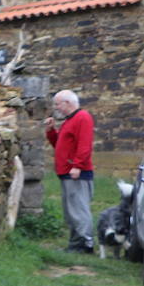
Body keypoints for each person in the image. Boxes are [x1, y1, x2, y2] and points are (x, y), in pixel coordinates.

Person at [45, 89, 95, 253]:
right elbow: (61, 144)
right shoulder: (70, 120)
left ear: (67, 103)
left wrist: (78, 166)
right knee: (71, 211)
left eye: (58, 104)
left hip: (76, 172)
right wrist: (52, 131)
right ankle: (75, 244)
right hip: (68, 171)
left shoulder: (82, 118)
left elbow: (84, 144)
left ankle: (85, 243)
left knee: (78, 209)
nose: (57, 108)